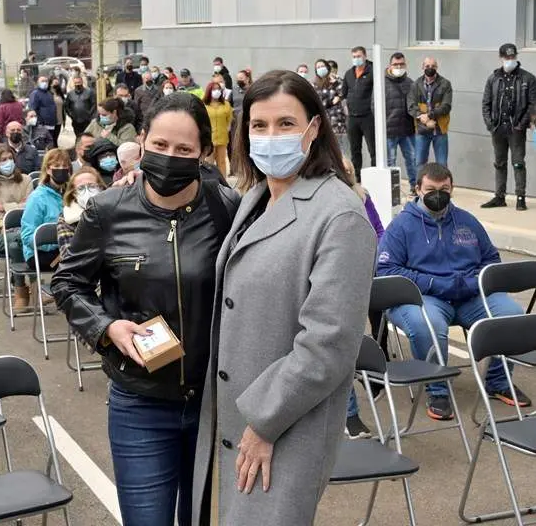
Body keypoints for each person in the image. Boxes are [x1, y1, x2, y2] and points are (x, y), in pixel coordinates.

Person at [190, 70, 376, 525]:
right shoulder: (255, 198)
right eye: (259, 125)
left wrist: (265, 422)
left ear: (314, 129)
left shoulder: (339, 216)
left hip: (285, 423)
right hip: (240, 416)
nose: (271, 136)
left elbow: (328, 344)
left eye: (286, 124)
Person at [52, 92, 241, 526]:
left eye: (183, 149)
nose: (170, 157)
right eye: (159, 145)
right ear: (142, 141)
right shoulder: (107, 210)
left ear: (201, 152)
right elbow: (67, 282)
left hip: (213, 402)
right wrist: (106, 327)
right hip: (140, 403)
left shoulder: (224, 207)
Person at [377, 162, 531, 419]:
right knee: (428, 324)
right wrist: (433, 283)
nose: (438, 194)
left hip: (468, 296)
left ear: (452, 189)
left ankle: (498, 381)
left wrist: (470, 283)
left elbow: (491, 260)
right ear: (417, 189)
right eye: (430, 189)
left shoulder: (467, 221)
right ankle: (437, 389)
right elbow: (386, 271)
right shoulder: (401, 227)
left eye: (444, 189)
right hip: (424, 297)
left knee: (511, 315)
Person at [339, 156, 385, 439]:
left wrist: (374, 256)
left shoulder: (362, 196)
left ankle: (376, 367)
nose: (344, 174)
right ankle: (350, 415)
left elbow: (379, 230)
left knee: (380, 306)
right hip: (335, 279)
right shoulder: (320, 201)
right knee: (339, 345)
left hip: (364, 271)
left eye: (348, 170)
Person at [0, 143, 34, 308]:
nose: (8, 162)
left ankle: (22, 292)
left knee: (18, 242)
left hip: (24, 231)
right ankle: (32, 287)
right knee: (18, 240)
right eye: (3, 160)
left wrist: (3, 207)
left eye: (10, 158)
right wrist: (17, 206)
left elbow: (30, 209)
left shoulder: (26, 180)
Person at [481, 43, 535, 211]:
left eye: (512, 57)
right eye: (506, 57)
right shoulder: (494, 78)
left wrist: (521, 125)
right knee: (499, 163)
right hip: (498, 128)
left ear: (516, 57)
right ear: (501, 58)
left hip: (516, 129)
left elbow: (533, 105)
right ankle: (499, 196)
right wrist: (490, 124)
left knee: (518, 163)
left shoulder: (528, 78)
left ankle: (520, 197)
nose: (510, 60)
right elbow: (486, 103)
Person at [19, 148, 70, 297]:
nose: (61, 170)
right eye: (56, 166)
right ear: (48, 169)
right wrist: (57, 242)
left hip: (64, 249)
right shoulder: (37, 198)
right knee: (76, 262)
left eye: (64, 166)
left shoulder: (70, 193)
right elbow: (28, 237)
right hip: (40, 253)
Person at [408, 56, 452, 175]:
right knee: (420, 163)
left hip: (439, 131)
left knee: (442, 164)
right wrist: (425, 120)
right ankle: (420, 190)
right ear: (422, 67)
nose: (430, 68)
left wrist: (429, 115)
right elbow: (411, 106)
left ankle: (443, 191)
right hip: (422, 131)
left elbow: (446, 106)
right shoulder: (415, 85)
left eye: (433, 66)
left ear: (437, 68)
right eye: (427, 66)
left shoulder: (445, 84)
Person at [340, 46, 376, 181]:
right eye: (354, 57)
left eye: (359, 56)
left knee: (373, 150)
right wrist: (345, 107)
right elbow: (343, 94)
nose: (356, 59)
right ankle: (357, 178)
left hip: (368, 117)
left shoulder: (372, 71)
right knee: (355, 150)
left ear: (365, 56)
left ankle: (374, 177)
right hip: (353, 118)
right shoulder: (349, 74)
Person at [56, 167, 106, 259]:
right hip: (84, 269)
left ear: (101, 187)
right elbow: (68, 256)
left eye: (92, 186)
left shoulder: (113, 209)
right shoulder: (66, 218)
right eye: (81, 188)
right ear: (74, 193)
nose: (87, 192)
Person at [384, 52, 416, 190]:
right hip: (389, 131)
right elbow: (375, 106)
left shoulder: (410, 83)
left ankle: (415, 187)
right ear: (390, 66)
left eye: (401, 64)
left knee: (412, 159)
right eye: (395, 64)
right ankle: (392, 191)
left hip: (407, 131)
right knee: (390, 162)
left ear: (405, 65)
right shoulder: (382, 83)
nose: (398, 67)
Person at [203, 81, 232, 177]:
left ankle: (223, 182)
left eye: (218, 89)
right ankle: (210, 182)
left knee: (222, 162)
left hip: (222, 138)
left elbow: (229, 120)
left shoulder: (226, 104)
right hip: (209, 139)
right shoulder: (204, 105)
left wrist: (226, 129)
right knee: (209, 163)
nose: (217, 91)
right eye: (214, 89)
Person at [28, 76, 58, 144]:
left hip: (51, 123)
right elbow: (33, 109)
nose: (44, 83)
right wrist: (39, 122)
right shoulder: (35, 94)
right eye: (42, 81)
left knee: (51, 141)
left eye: (46, 81)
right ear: (38, 83)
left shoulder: (49, 93)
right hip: (42, 124)